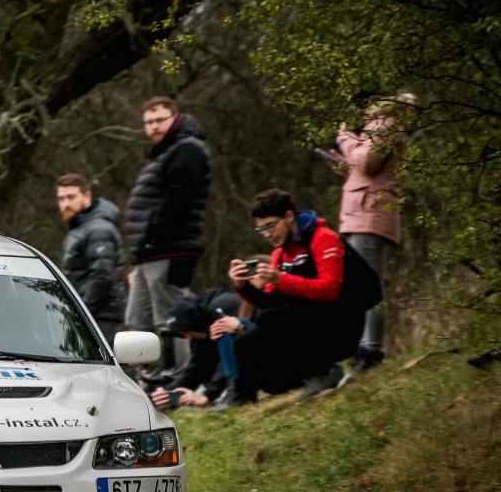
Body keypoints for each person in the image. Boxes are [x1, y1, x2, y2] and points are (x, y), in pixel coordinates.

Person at [221, 189, 381, 407]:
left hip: (343, 322)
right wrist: (243, 287)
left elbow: (330, 289)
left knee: (270, 320)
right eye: (262, 230)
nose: (267, 234)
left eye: (271, 226)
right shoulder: (280, 253)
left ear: (288, 217)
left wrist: (282, 280)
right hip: (310, 322)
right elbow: (270, 301)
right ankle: (248, 394)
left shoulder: (324, 238)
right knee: (245, 344)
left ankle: (324, 370)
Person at [124, 96, 212, 381]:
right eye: (148, 122)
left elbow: (180, 200)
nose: (154, 126)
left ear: (175, 117)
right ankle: (150, 378)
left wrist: (154, 233)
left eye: (159, 119)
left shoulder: (187, 149)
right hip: (148, 252)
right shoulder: (163, 152)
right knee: (138, 320)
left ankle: (179, 378)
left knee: (171, 319)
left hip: (170, 248)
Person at [332, 93, 411, 380]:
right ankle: (361, 348)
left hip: (371, 213)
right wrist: (343, 162)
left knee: (369, 286)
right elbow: (361, 166)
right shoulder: (375, 127)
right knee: (358, 286)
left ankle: (371, 350)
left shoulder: (385, 123)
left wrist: (344, 138)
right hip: (359, 213)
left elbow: (367, 162)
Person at [148, 288, 246, 410]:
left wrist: (207, 396)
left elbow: (230, 355)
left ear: (194, 323)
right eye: (182, 334)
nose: (187, 338)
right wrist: (167, 392)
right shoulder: (201, 321)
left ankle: (237, 394)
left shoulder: (220, 308)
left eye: (187, 332)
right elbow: (198, 367)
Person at [57, 173, 127, 341]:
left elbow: (101, 277)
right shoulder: (80, 228)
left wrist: (81, 312)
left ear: (87, 196)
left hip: (101, 317)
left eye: (71, 197)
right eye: (61, 199)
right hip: (91, 316)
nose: (65, 204)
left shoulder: (98, 229)